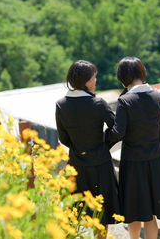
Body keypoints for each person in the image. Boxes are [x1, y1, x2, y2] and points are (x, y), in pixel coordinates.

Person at [105, 56, 160, 239]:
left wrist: (101, 142)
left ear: (122, 77)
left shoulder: (125, 101)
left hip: (132, 163)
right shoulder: (157, 97)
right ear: (142, 73)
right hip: (155, 161)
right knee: (151, 213)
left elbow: (118, 132)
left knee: (134, 210)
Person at [55, 60, 120, 228]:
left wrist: (79, 148)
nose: (95, 80)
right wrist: (104, 144)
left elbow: (63, 139)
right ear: (85, 81)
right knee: (101, 216)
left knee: (74, 215)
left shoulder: (61, 105)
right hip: (100, 165)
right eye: (93, 77)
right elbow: (118, 130)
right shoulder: (98, 103)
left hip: (76, 164)